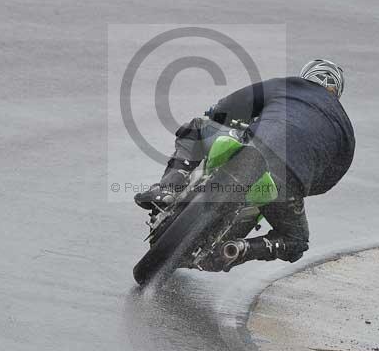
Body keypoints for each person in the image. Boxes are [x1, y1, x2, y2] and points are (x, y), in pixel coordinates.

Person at [135, 59, 355, 271]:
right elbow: (330, 179)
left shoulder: (289, 85)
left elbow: (229, 106)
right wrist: (300, 183)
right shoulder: (345, 128)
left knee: (196, 127)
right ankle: (240, 249)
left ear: (306, 76)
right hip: (290, 179)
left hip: (254, 144)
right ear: (338, 92)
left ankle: (168, 188)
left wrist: (215, 116)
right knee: (296, 241)